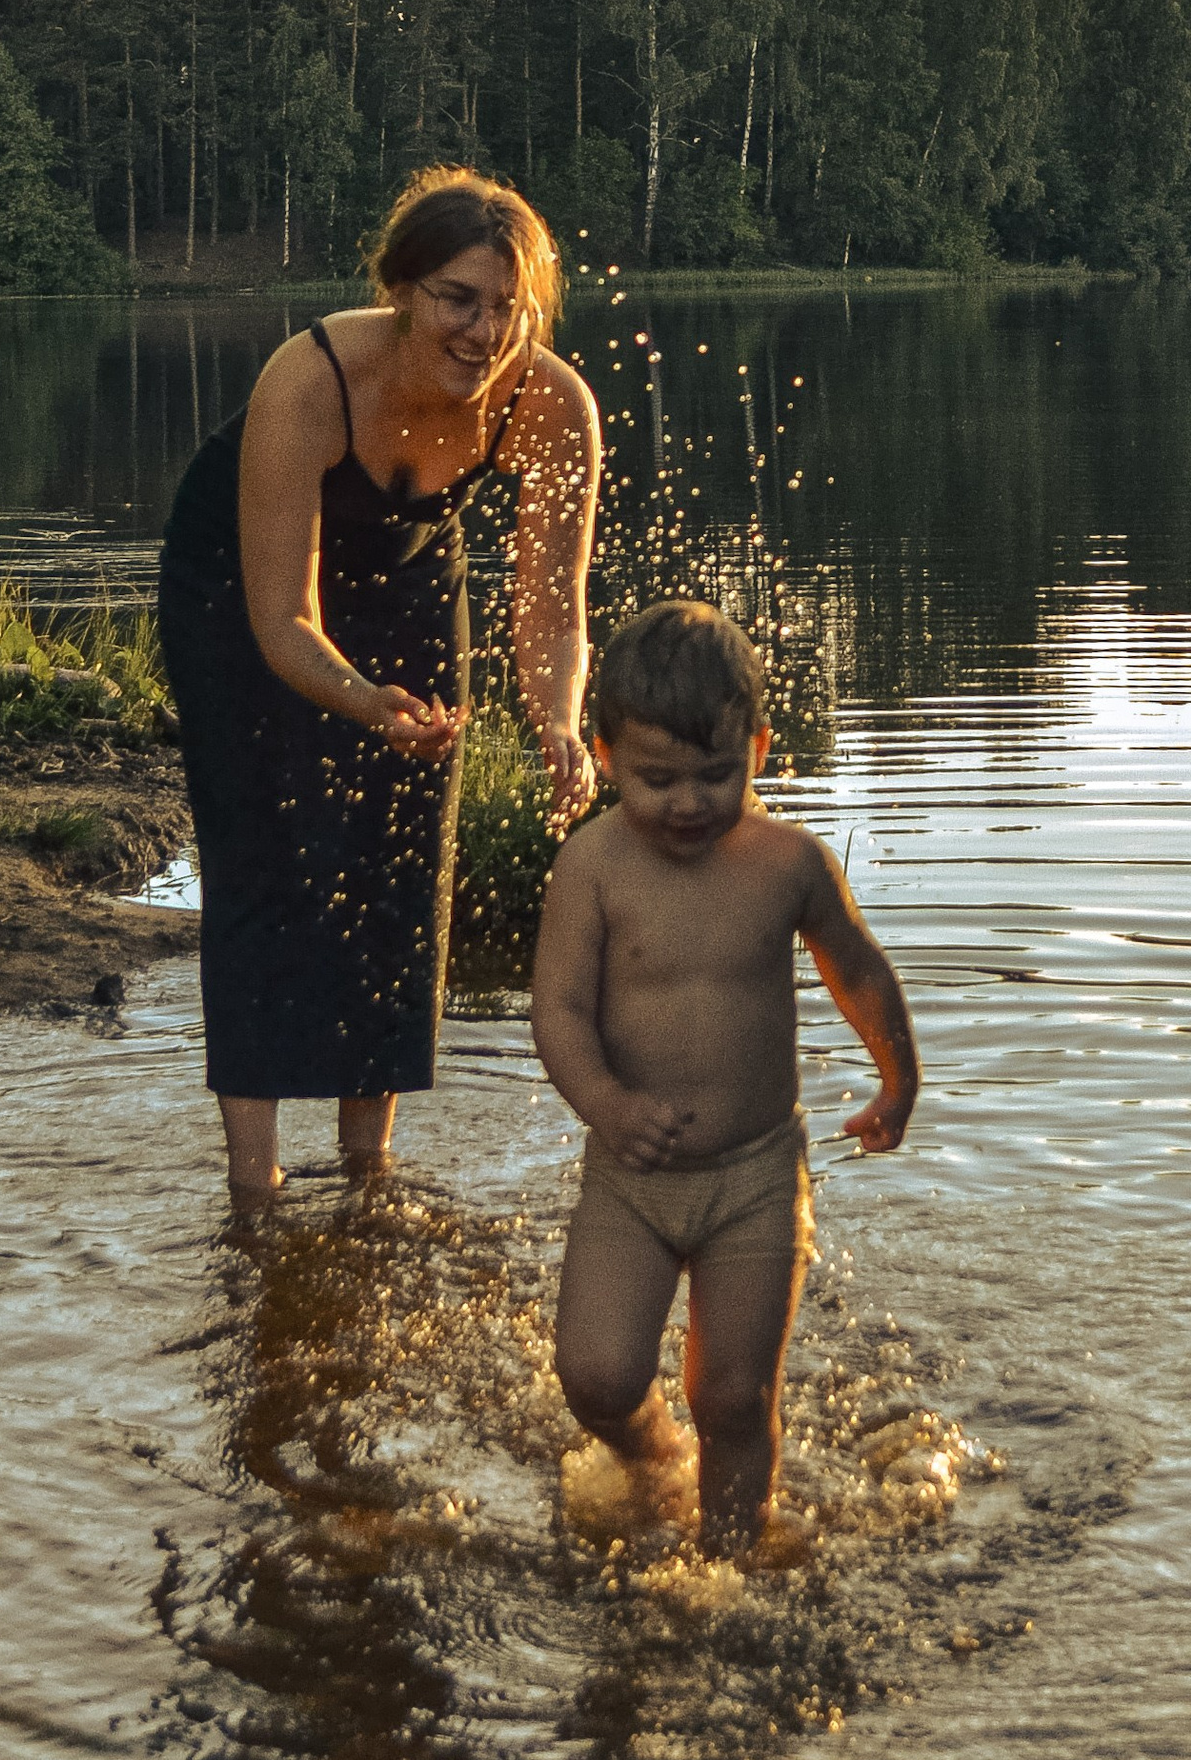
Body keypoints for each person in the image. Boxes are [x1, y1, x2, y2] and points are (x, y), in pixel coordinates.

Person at [157, 166, 600, 1213]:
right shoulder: (307, 379)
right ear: (401, 290)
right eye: (458, 298)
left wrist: (560, 726)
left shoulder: (550, 403)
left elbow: (550, 613)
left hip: (406, 565)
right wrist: (363, 704)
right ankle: (254, 1183)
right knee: (263, 838)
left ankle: (368, 1169)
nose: (484, 331)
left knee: (404, 843)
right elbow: (284, 624)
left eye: (508, 307)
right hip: (240, 580)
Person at [530, 599, 919, 1558]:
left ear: (759, 745)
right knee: (596, 1375)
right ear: (607, 753)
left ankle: (733, 1560)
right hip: (633, 1178)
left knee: (734, 1396)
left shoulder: (788, 863)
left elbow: (859, 968)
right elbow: (560, 1013)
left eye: (718, 774)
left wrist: (896, 1080)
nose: (691, 803)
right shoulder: (592, 867)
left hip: (754, 1176)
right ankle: (653, 1452)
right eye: (658, 780)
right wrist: (608, 1106)